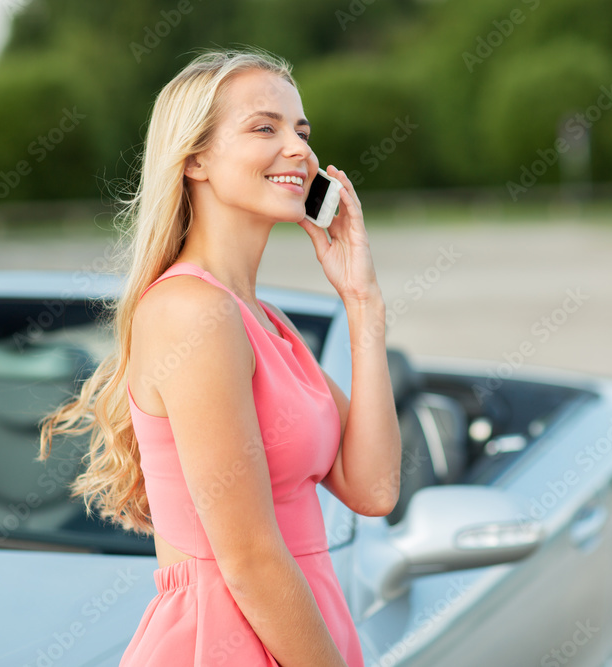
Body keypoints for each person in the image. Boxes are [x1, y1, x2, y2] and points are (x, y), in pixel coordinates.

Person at [40, 47, 402, 666]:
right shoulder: (192, 312)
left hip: (301, 635)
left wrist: (363, 304)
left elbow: (373, 488)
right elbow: (252, 560)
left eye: (301, 130)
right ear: (196, 158)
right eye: (265, 127)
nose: (299, 149)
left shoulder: (265, 321)